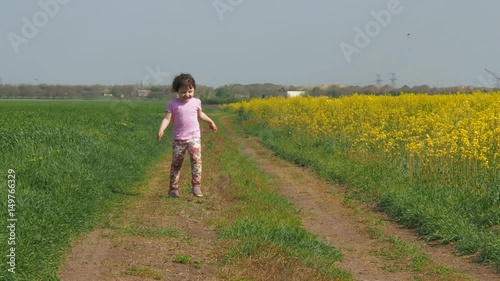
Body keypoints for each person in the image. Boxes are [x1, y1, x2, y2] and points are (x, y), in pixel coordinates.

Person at [157, 73, 217, 198]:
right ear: (177, 91)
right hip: (178, 139)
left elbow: (200, 115)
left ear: (194, 89)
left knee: (196, 161)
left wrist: (210, 121)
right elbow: (167, 119)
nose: (187, 94)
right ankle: (173, 189)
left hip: (194, 137)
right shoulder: (172, 103)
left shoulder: (196, 102)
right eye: (183, 92)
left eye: (190, 91)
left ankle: (196, 185)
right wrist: (161, 129)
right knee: (176, 164)